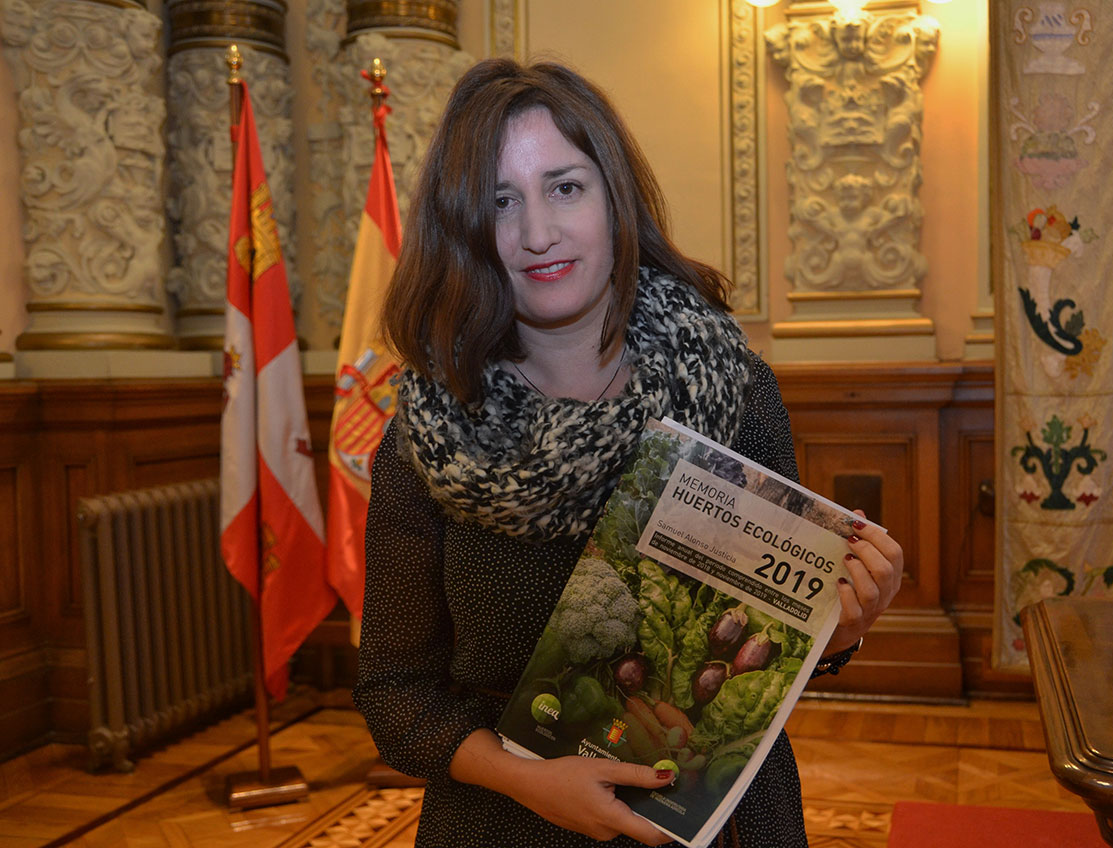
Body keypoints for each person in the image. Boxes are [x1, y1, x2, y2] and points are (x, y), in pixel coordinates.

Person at [354, 58, 904, 848]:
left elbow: (766, 653)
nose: (536, 233)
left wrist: (839, 627)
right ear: (464, 226)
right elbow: (394, 693)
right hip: (510, 823)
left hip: (720, 819)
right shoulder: (428, 441)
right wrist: (529, 781)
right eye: (501, 201)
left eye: (564, 187)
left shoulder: (732, 389)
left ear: (615, 197)